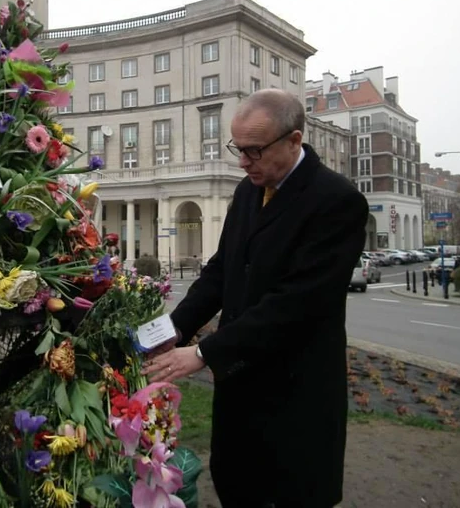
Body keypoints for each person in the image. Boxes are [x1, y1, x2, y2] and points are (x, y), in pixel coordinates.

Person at [142, 89, 368, 508]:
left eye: (254, 151)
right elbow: (221, 270)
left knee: (289, 495)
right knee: (236, 487)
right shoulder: (249, 190)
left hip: (295, 397)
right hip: (240, 392)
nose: (243, 162)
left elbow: (297, 303)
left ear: (294, 140)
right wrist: (171, 329)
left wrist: (204, 352)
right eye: (238, 149)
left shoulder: (337, 201)